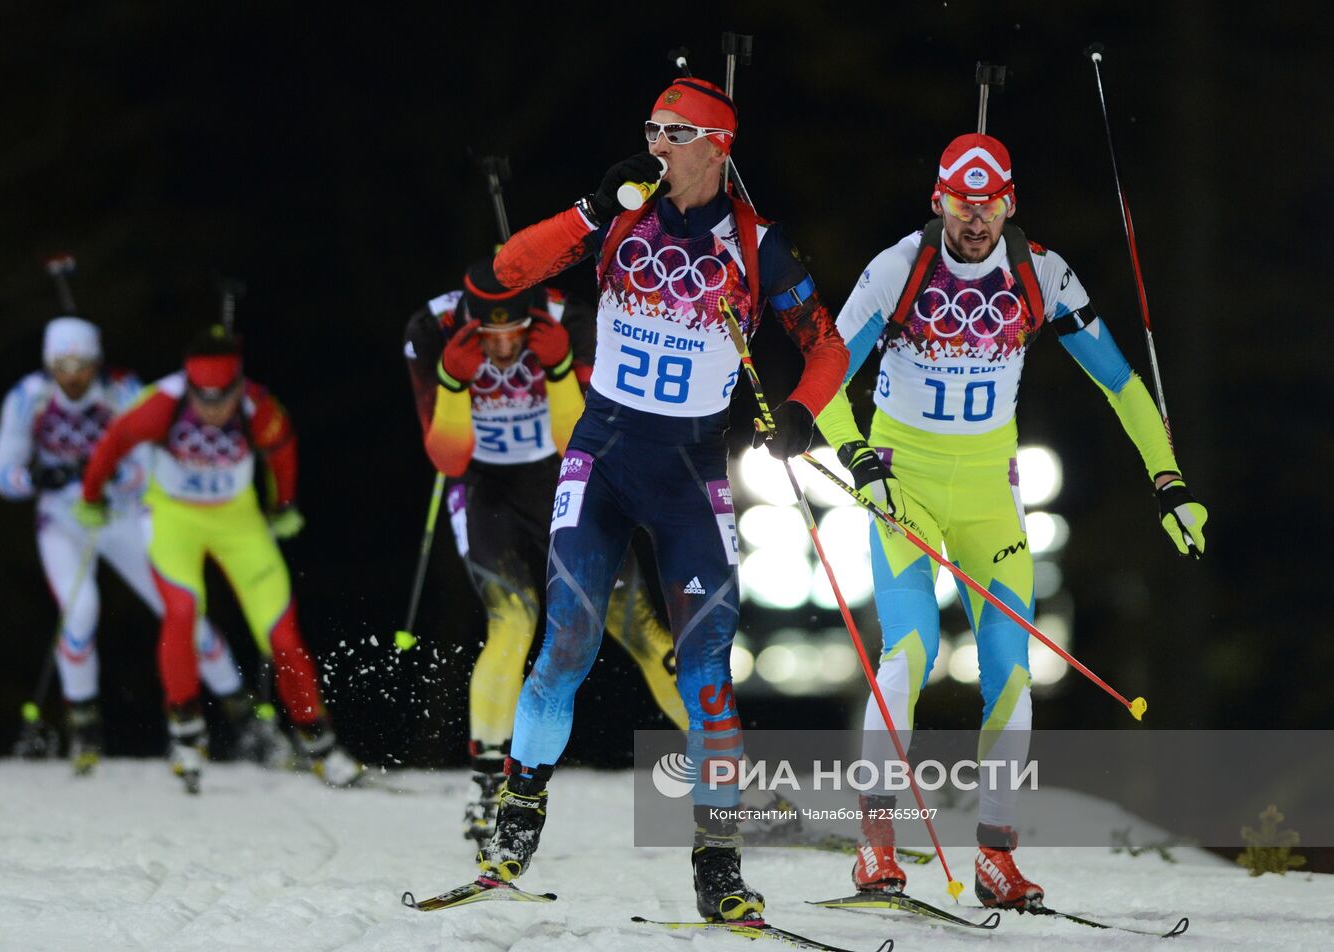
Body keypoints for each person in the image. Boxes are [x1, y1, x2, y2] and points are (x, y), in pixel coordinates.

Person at [473, 77, 848, 921]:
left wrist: (799, 412)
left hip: (690, 471)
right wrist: (585, 211)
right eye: (650, 129)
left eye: (672, 133)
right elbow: (502, 276)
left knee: (709, 669)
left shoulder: (758, 246)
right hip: (602, 455)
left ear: (717, 145)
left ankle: (718, 861)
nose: (655, 146)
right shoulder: (620, 213)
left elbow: (827, 345)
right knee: (565, 641)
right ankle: (518, 811)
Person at [815, 133, 1209, 908]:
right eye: (962, 203)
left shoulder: (1042, 273)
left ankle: (996, 856)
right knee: (910, 654)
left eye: (989, 202)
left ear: (1009, 201)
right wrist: (859, 459)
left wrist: (1169, 481)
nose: (975, 219)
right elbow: (826, 375)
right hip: (906, 489)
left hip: (993, 497)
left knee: (1014, 672)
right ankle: (876, 845)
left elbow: (1123, 384)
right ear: (939, 199)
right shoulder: (899, 270)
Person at [404, 265, 690, 845]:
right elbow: (448, 459)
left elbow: (577, 438)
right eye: (490, 335)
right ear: (469, 319)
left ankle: (730, 769)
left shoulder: (572, 319)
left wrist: (560, 368)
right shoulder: (431, 327)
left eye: (514, 334)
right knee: (513, 623)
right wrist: (455, 384)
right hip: (485, 487)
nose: (504, 346)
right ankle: (487, 785)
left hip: (567, 477)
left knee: (639, 628)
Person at [75, 325, 363, 793]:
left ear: (237, 388)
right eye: (201, 398)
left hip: (238, 520)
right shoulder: (160, 404)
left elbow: (282, 450)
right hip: (174, 517)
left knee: (282, 635)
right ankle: (186, 735)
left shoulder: (258, 407)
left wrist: (283, 505)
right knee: (183, 612)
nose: (211, 409)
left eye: (220, 399)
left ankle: (321, 744)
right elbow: (113, 442)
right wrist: (91, 496)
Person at [0, 316, 255, 774]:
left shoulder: (123, 389)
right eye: (61, 364)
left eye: (81, 364)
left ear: (96, 361)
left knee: (182, 608)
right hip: (64, 520)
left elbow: (151, 455)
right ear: (48, 363)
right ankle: (85, 726)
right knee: (81, 611)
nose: (71, 375)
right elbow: (2, 474)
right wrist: (36, 477)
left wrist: (114, 475)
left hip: (124, 515)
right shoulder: (28, 397)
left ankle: (245, 718)